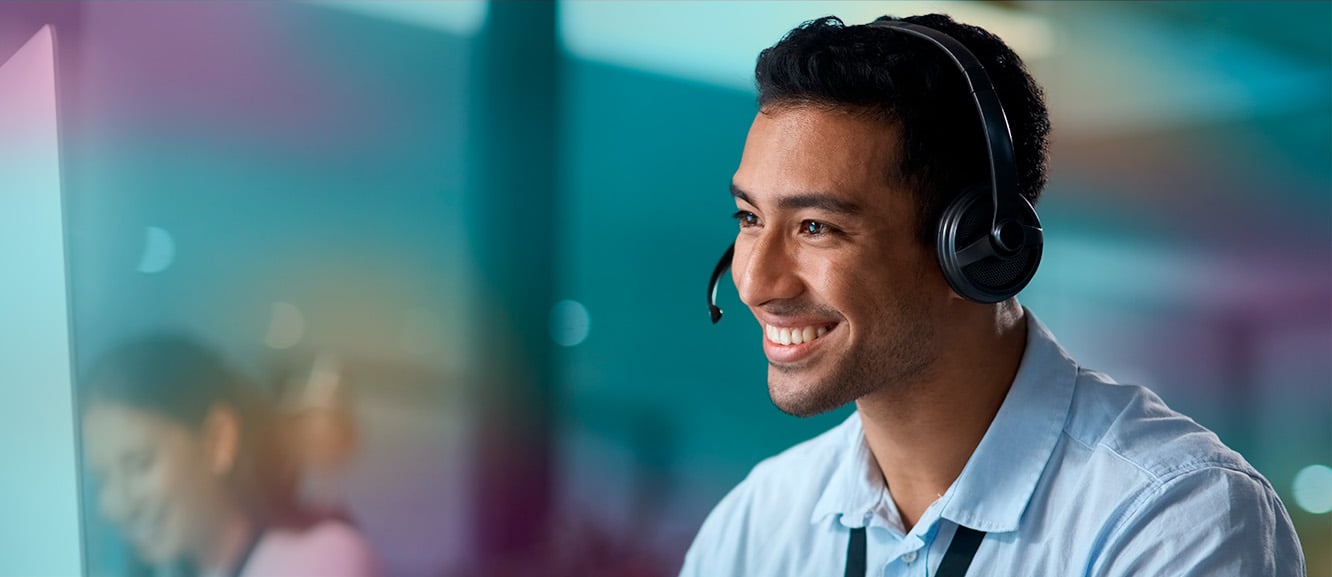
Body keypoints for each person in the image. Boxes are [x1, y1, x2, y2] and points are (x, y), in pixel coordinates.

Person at [681, 13, 1304, 576]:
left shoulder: (1173, 519)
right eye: (749, 218)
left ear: (979, 246)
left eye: (817, 228)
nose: (757, 284)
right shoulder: (757, 523)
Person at [81, 334, 380, 577]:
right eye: (103, 479)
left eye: (140, 464)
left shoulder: (324, 560)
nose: (116, 505)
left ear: (217, 441)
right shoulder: (166, 568)